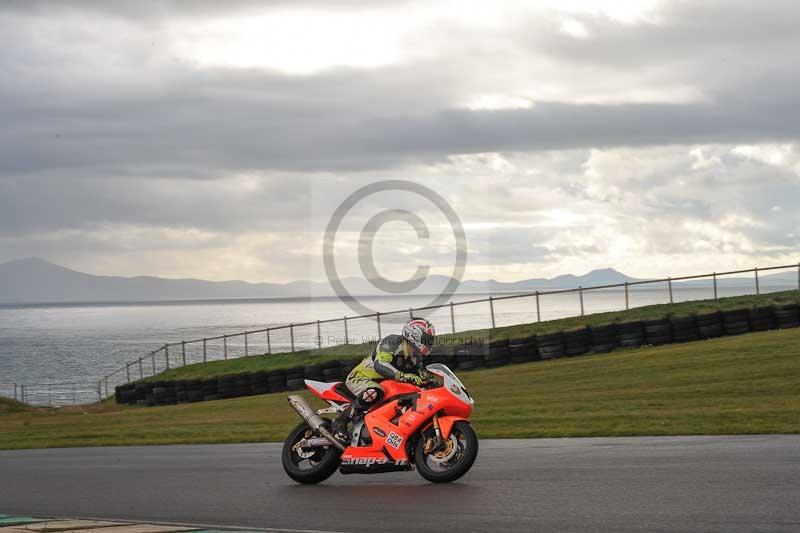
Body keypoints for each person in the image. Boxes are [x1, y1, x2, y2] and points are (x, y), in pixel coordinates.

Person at [331, 318, 436, 441]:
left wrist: (433, 384)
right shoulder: (393, 342)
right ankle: (340, 422)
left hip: (384, 385)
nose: (429, 343)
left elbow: (421, 378)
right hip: (361, 378)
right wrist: (403, 376)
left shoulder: (415, 358)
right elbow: (380, 364)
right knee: (376, 391)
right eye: (426, 339)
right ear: (414, 334)